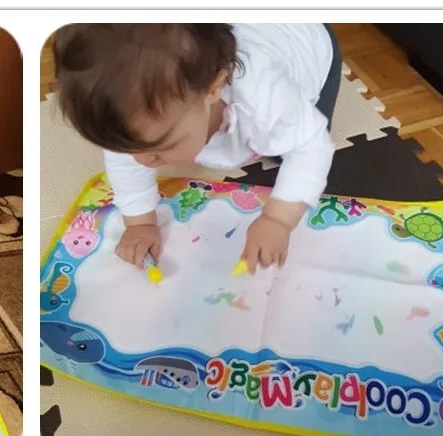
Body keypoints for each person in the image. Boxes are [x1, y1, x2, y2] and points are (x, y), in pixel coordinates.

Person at [53, 23, 342, 274]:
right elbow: (128, 160)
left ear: (213, 90)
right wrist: (140, 223)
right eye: (129, 149)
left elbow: (310, 147)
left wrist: (278, 220)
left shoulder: (265, 94)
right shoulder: (132, 120)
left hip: (308, 42)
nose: (141, 161)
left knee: (289, 148)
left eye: (160, 147)